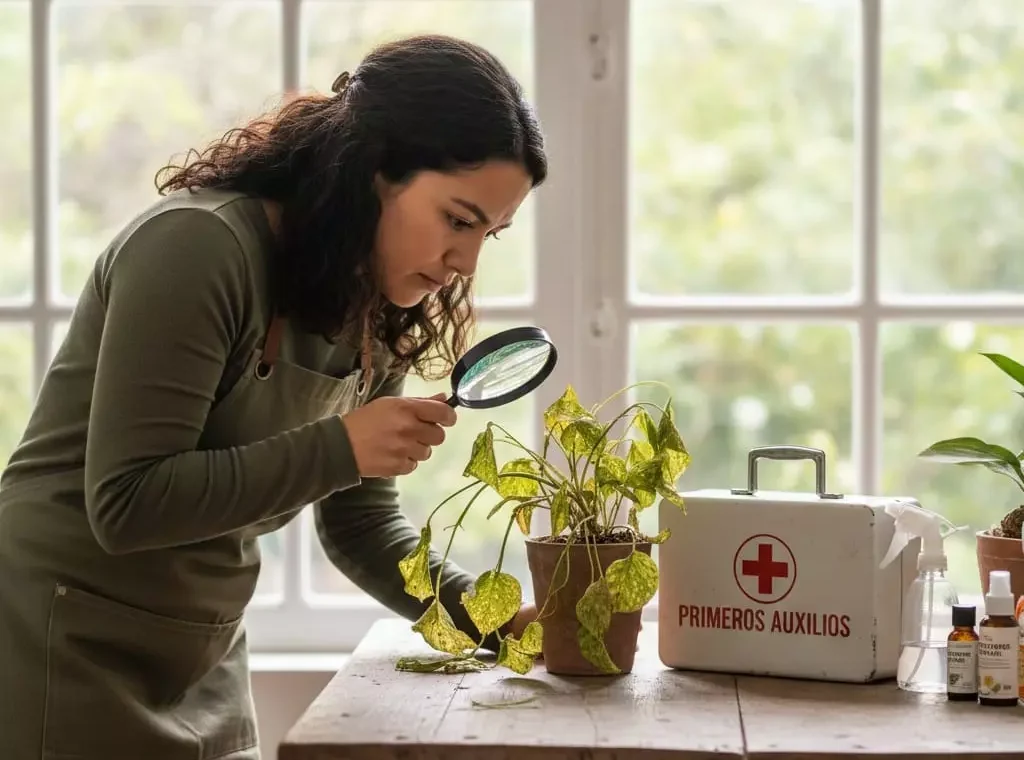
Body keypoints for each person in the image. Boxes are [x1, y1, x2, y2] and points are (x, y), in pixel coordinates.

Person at [0, 34, 546, 759]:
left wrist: (496, 621)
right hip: (59, 638)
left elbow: (360, 525)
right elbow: (126, 503)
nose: (466, 263)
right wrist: (340, 446)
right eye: (458, 219)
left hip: (203, 649)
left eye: (491, 235)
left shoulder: (374, 304)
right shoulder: (196, 248)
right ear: (373, 171)